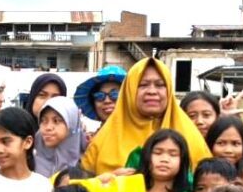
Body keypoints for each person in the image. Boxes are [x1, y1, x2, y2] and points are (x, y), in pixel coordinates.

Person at [81, 58, 210, 175]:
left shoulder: (190, 137)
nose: (152, 91)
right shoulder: (104, 138)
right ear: (130, 91)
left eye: (160, 85)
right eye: (143, 85)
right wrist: (110, 180)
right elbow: (83, 187)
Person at [34, 96, 83, 178]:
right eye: (43, 121)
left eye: (56, 121)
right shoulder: (28, 164)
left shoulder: (85, 165)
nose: (48, 127)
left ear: (71, 125)